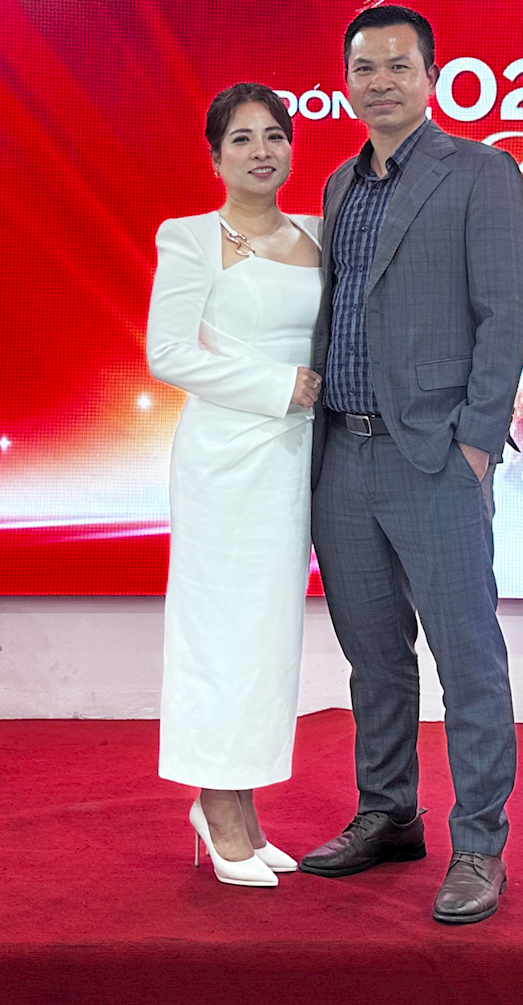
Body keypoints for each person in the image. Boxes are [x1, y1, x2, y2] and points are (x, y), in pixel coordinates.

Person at [299, 5, 523, 926]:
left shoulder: (481, 173)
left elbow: (507, 314)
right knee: (372, 656)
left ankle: (479, 844)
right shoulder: (337, 185)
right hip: (342, 454)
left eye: (399, 65)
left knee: (467, 656)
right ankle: (389, 812)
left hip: (434, 457)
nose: (381, 82)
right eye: (365, 68)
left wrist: (475, 442)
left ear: (432, 78)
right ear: (346, 82)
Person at [146, 82, 324, 888]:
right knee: (219, 630)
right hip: (225, 457)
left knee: (266, 636)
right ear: (215, 157)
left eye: (274, 136)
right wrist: (278, 386)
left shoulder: (319, 233)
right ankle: (216, 805)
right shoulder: (190, 237)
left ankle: (243, 807)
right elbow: (168, 354)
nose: (261, 151)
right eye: (242, 139)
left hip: (296, 460)